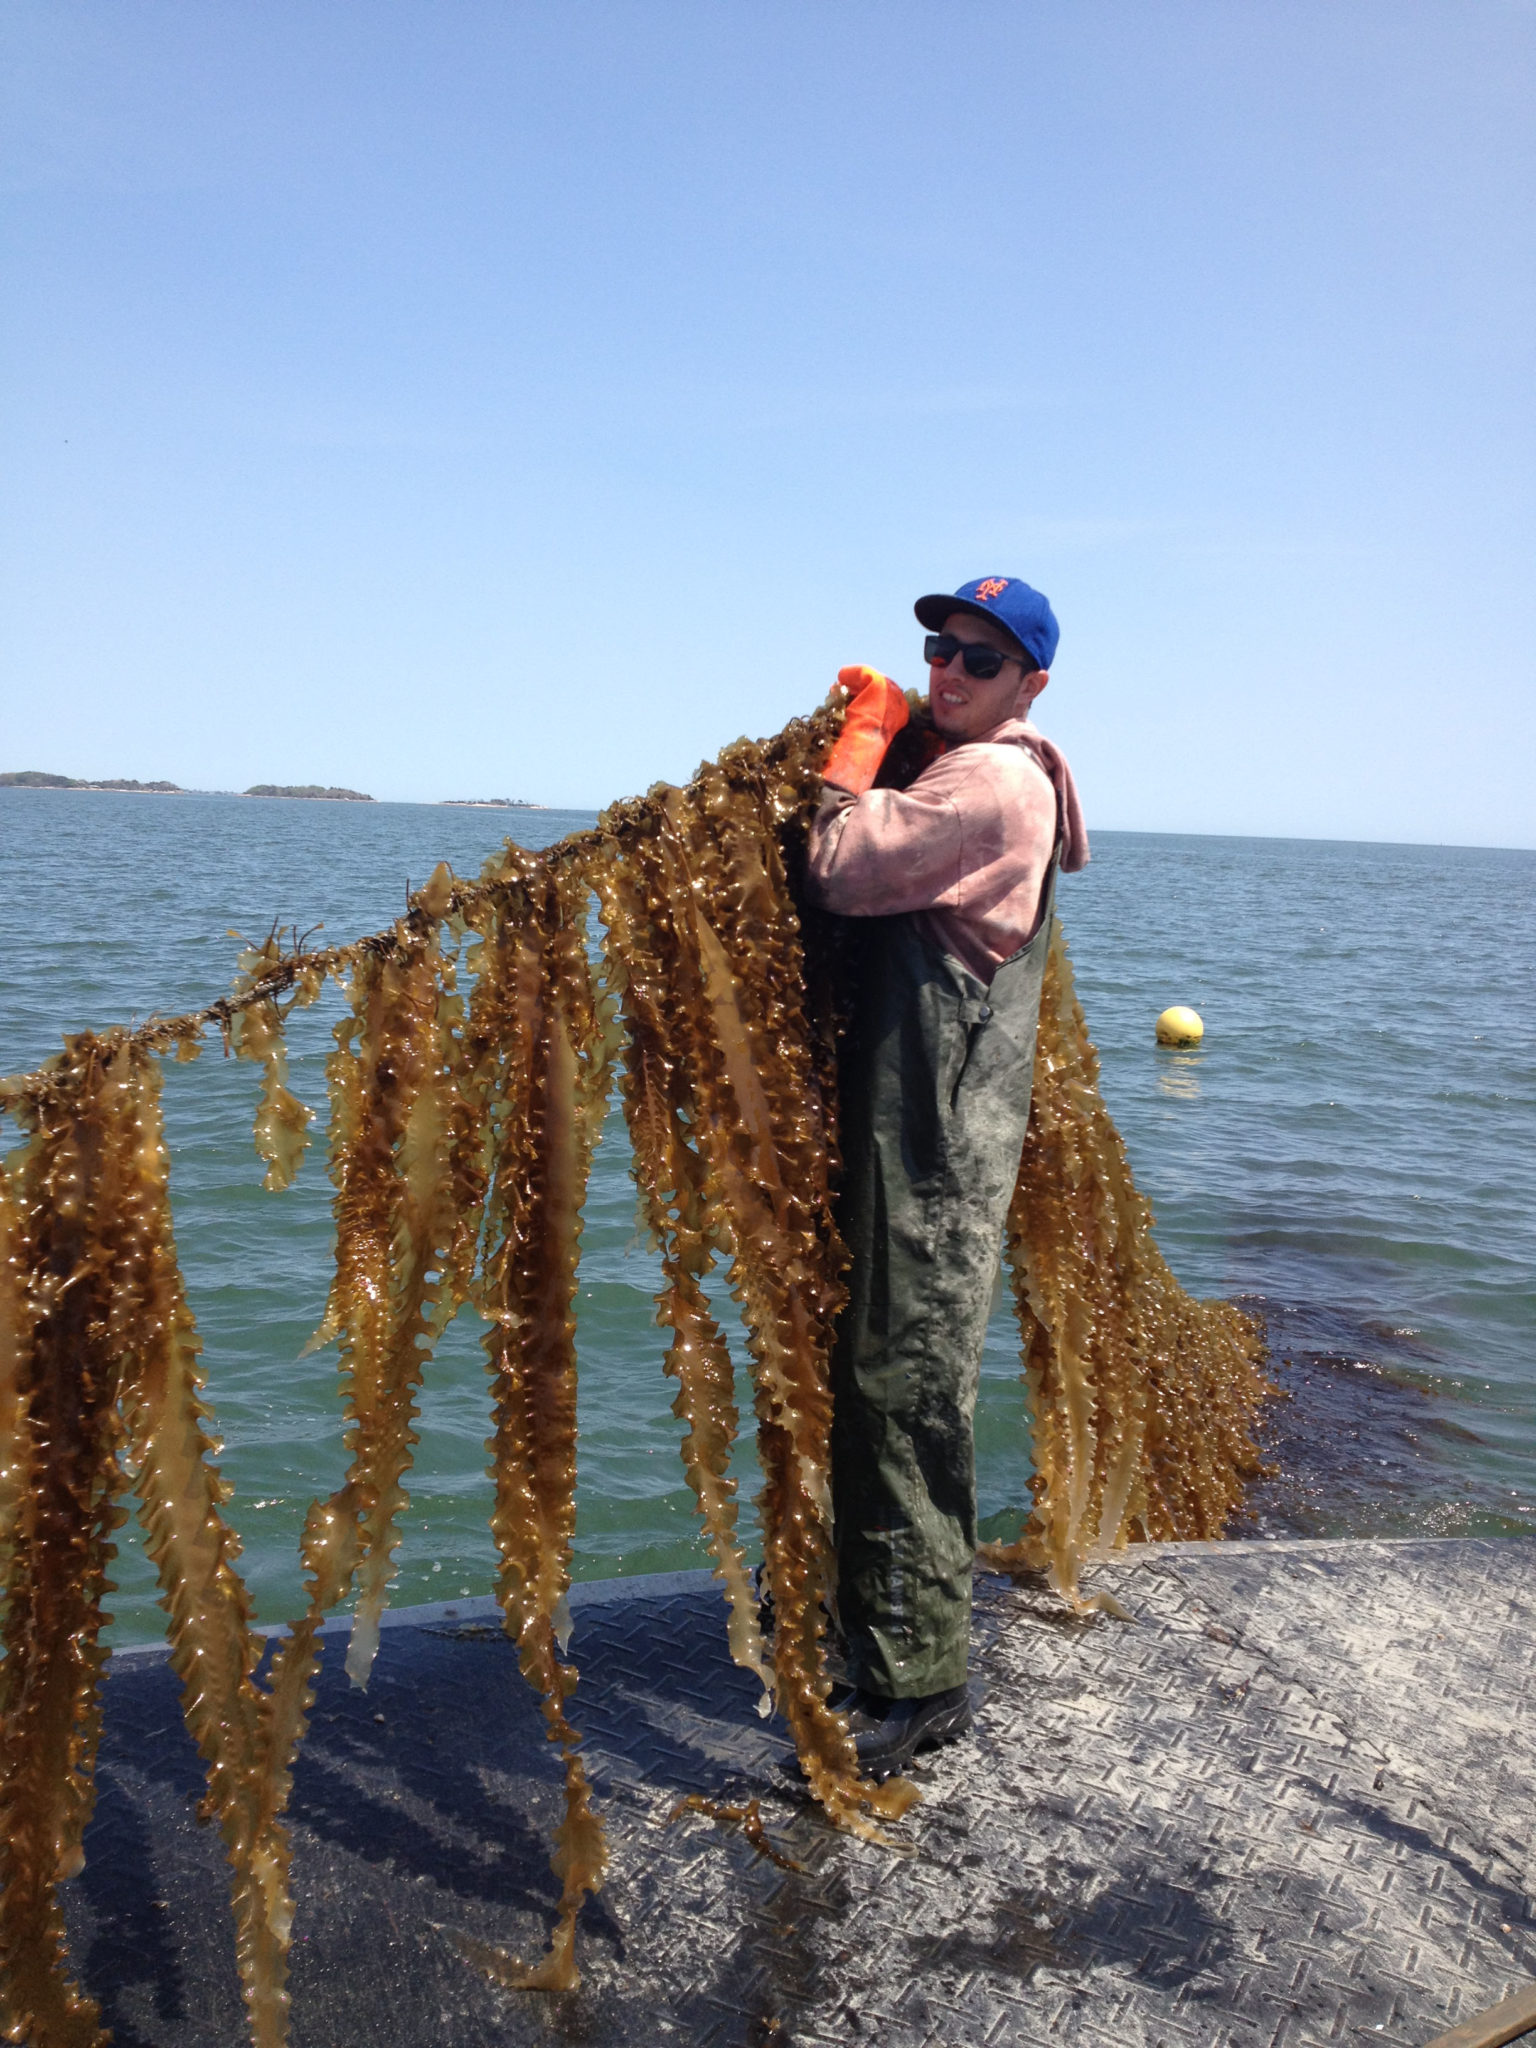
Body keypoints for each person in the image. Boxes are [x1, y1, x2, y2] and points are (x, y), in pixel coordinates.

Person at [804, 575, 1089, 1779]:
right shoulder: (1002, 768)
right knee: (880, 1375)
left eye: (980, 657)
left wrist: (856, 745)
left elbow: (840, 865)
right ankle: (868, 1626)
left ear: (1030, 681)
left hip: (932, 1149)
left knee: (904, 1386)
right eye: (938, 648)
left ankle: (921, 1679)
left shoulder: (985, 781)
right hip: (929, 1138)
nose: (949, 671)